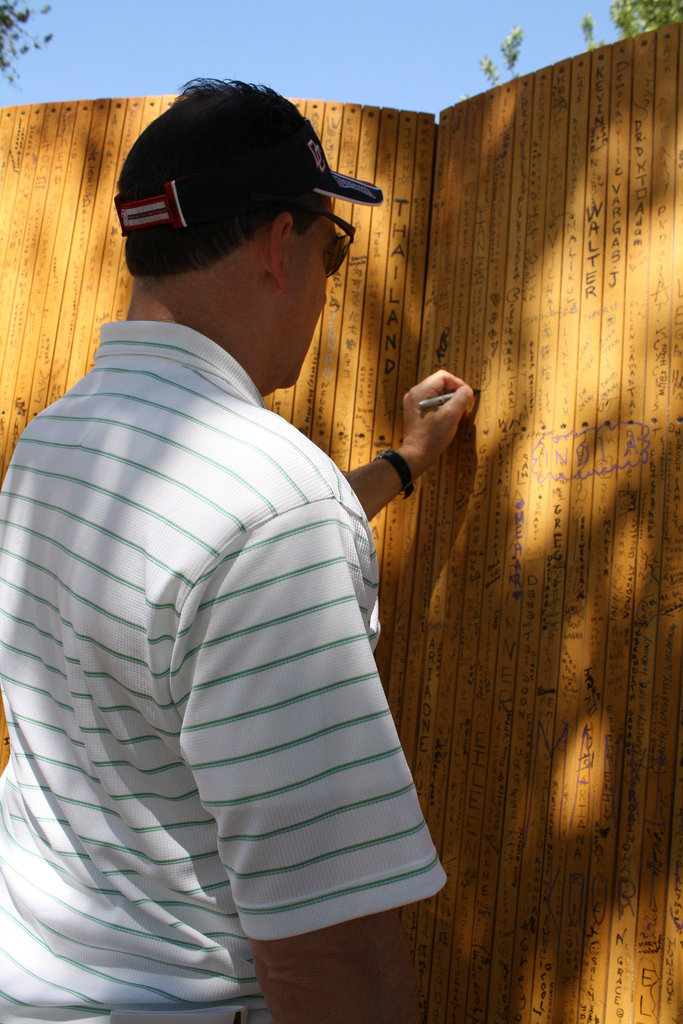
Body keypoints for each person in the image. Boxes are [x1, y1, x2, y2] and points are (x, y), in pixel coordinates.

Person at [0, 79, 474, 1024]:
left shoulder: (53, 442)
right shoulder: (273, 509)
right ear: (277, 243)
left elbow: (196, 575)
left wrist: (400, 466)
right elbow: (326, 950)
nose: (328, 277)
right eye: (334, 245)